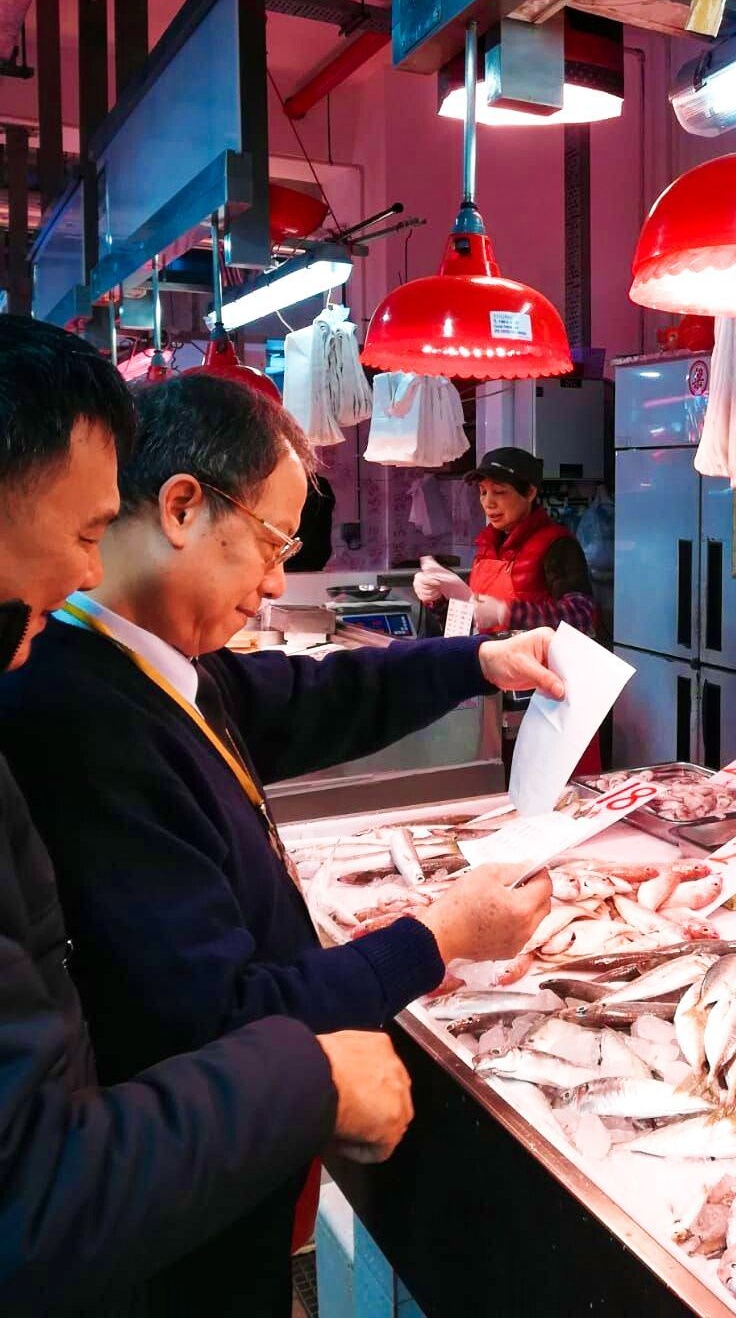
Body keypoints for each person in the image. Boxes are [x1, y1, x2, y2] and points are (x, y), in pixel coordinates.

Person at [0, 374, 557, 1316]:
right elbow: (219, 1011)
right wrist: (438, 937)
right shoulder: (79, 715)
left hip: (211, 1174)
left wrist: (473, 663)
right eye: (271, 542)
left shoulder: (157, 664)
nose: (273, 582)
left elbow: (307, 701)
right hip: (168, 1227)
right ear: (182, 507)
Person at [414, 447, 598, 636]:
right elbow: (469, 626)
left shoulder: (558, 545)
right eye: (483, 492)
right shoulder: (487, 545)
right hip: (488, 662)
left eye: (499, 492)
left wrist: (505, 613)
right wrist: (437, 599)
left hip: (532, 663)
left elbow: (581, 617)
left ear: (529, 493)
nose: (488, 502)